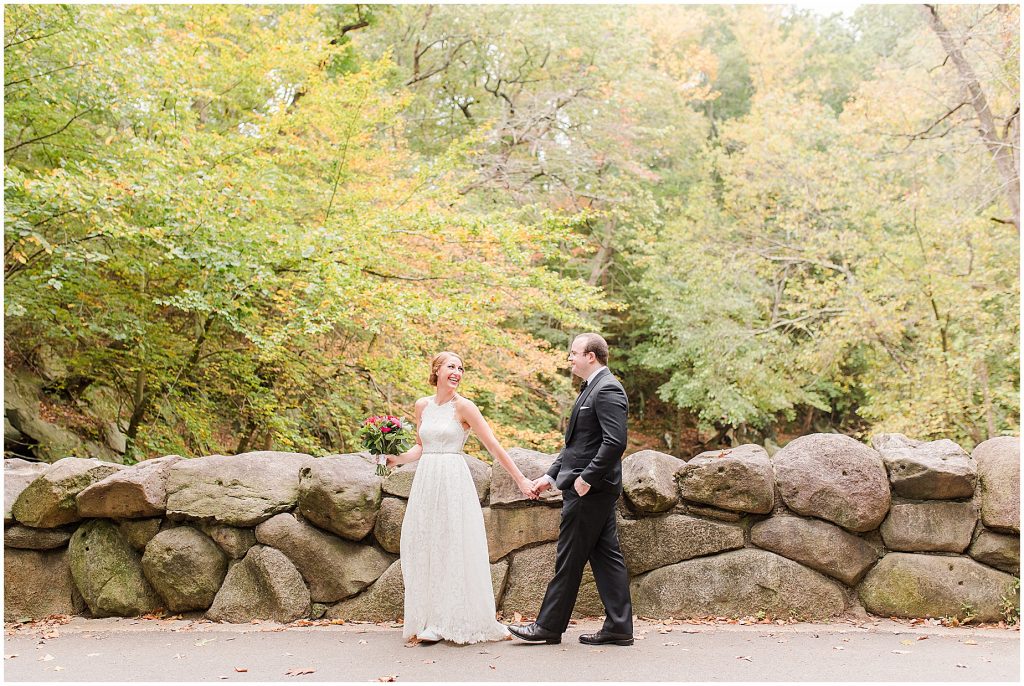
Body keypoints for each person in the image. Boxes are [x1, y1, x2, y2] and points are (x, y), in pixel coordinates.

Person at [387, 351, 538, 645]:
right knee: (425, 543)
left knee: (451, 544)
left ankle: (447, 621)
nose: (457, 372)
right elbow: (420, 447)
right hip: (426, 481)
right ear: (437, 370)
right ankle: (429, 617)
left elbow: (493, 446)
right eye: (451, 367)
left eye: (461, 368)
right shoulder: (422, 406)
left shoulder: (465, 407)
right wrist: (396, 459)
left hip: (453, 481)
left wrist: (520, 479)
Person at [508, 333, 633, 646]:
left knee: (568, 558)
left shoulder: (608, 389)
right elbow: (576, 446)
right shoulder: (589, 388)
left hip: (591, 490)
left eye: (574, 353)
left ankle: (548, 627)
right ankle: (619, 626)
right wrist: (548, 478)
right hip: (588, 488)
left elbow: (615, 442)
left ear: (591, 356)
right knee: (606, 557)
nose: (570, 359)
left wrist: (586, 479)